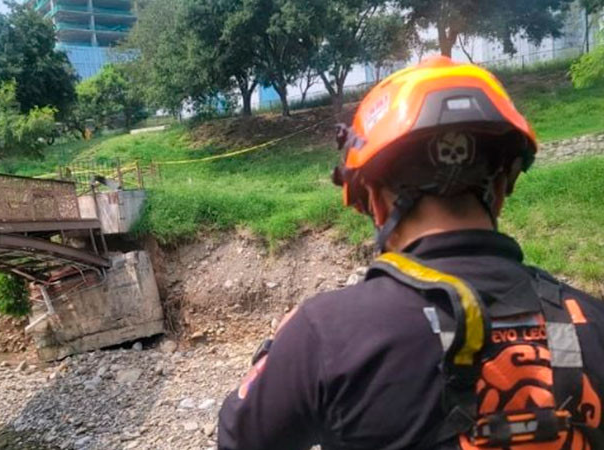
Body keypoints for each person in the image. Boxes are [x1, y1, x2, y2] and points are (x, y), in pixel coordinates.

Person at [217, 56, 604, 450]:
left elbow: (239, 440)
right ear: (502, 189)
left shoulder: (325, 332)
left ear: (376, 202)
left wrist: (280, 350)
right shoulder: (592, 320)